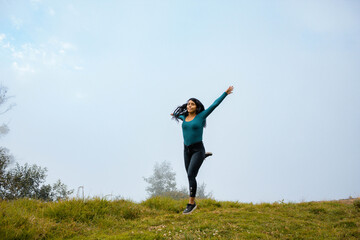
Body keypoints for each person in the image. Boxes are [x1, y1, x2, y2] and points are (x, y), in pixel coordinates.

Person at [171, 86, 234, 214]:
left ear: (196, 106)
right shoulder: (183, 117)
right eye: (188, 104)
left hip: (197, 149)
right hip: (186, 150)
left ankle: (191, 204)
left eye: (192, 104)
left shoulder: (201, 116)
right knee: (189, 175)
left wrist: (225, 93)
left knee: (191, 175)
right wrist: (175, 114)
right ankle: (202, 158)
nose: (189, 106)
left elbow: (214, 105)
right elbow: (178, 115)